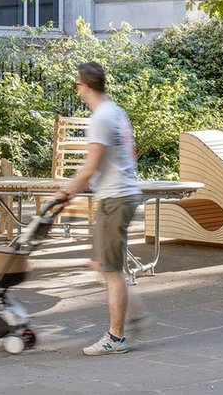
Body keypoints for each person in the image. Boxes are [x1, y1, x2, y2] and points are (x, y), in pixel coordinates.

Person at [54, 62, 146, 356]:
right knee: (100, 263)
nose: (78, 89)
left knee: (110, 269)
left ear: (85, 85)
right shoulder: (116, 112)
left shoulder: (100, 118)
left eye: (78, 84)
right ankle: (135, 312)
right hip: (125, 193)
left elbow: (90, 165)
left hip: (115, 198)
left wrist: (66, 192)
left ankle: (116, 337)